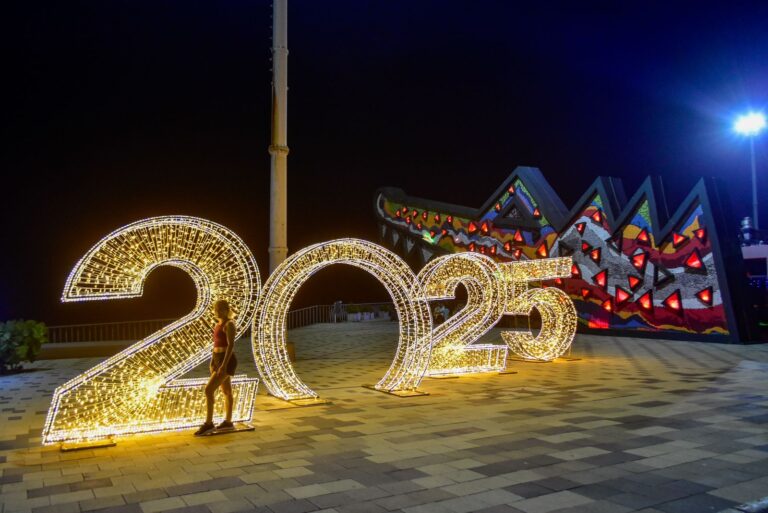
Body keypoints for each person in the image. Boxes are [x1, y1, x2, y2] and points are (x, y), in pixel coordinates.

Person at [195, 299, 238, 436]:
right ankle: (228, 422)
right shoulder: (217, 324)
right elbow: (216, 344)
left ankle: (209, 424)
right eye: (216, 309)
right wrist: (213, 362)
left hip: (227, 360)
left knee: (208, 390)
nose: (217, 311)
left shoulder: (229, 324)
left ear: (227, 309)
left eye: (220, 309)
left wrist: (224, 364)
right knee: (227, 391)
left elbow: (230, 345)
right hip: (217, 358)